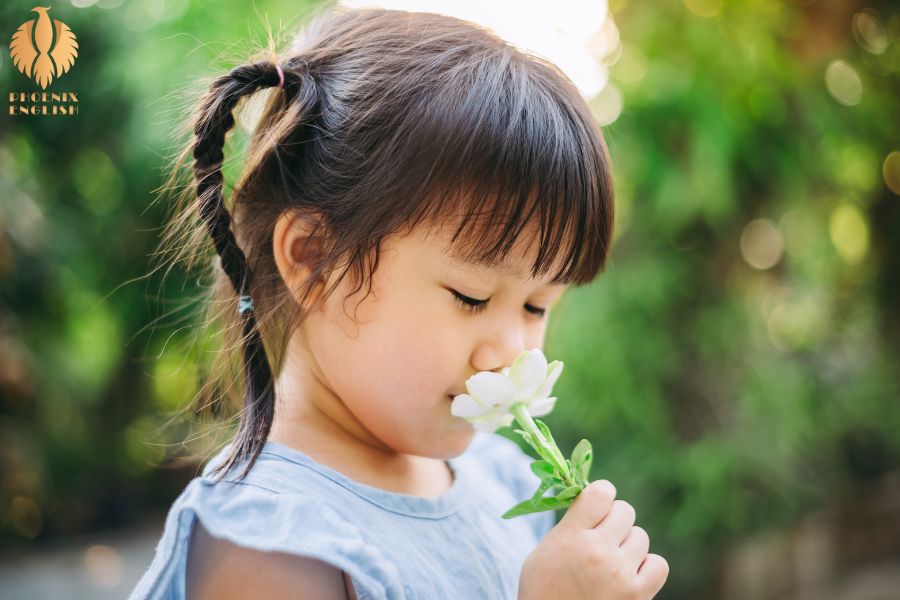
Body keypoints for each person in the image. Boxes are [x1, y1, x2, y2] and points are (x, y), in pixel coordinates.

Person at [129, 5, 668, 599]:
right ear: (313, 261)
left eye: (537, 307)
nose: (510, 351)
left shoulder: (506, 479)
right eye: (471, 297)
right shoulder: (269, 537)